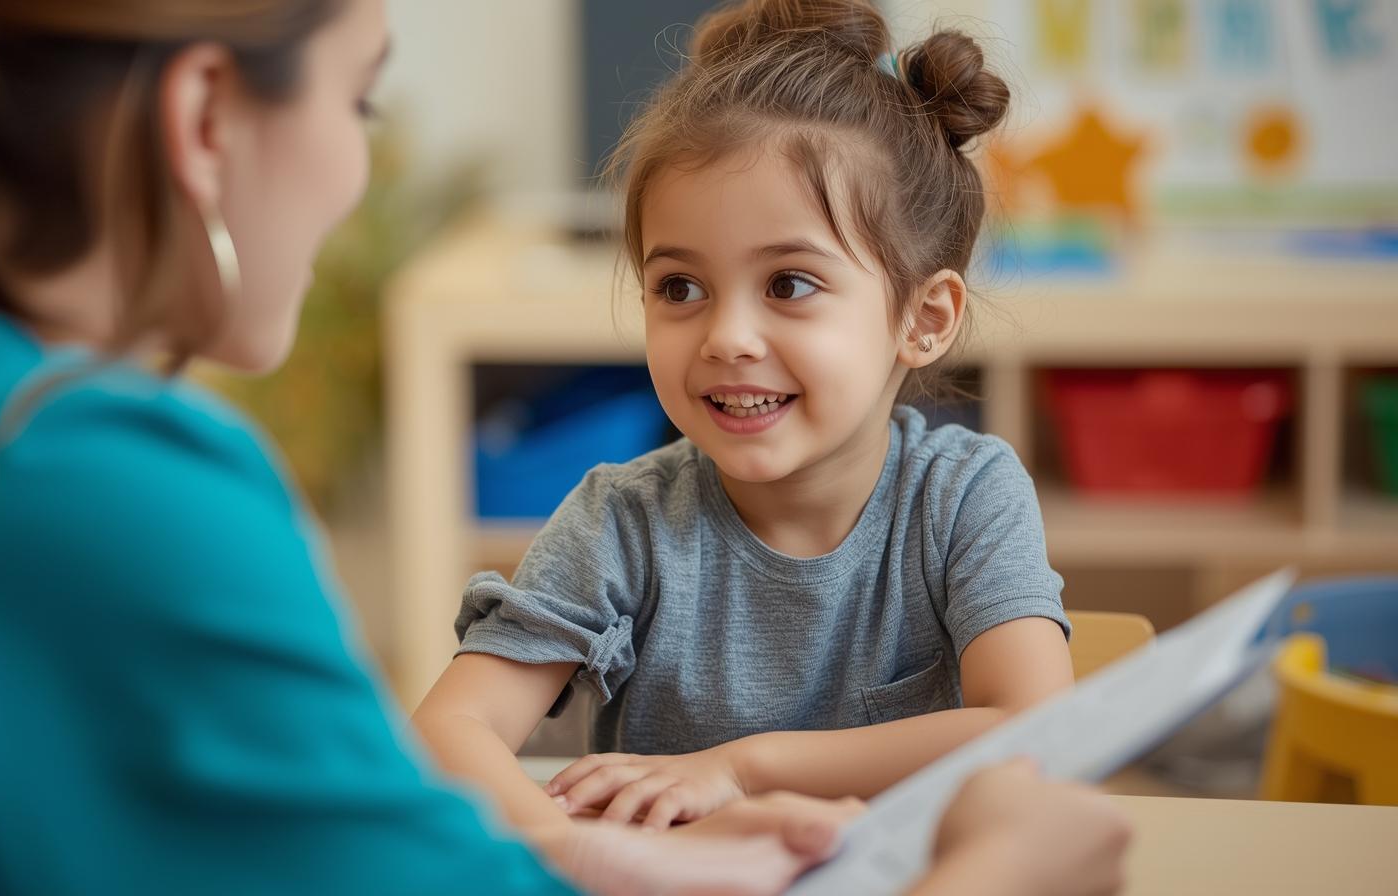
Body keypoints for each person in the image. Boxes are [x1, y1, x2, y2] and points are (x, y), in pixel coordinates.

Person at [0, 0, 1128, 893]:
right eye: (361, 103)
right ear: (207, 120)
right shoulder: (84, 487)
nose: (359, 174)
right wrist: (993, 876)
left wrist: (609, 850)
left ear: (924, 318)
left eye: (789, 284)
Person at [415, 0, 1076, 833]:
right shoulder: (620, 522)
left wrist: (742, 766)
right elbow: (448, 730)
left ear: (924, 319)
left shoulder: (965, 496)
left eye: (788, 284)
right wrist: (582, 855)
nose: (726, 338)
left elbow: (1041, 730)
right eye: (679, 288)